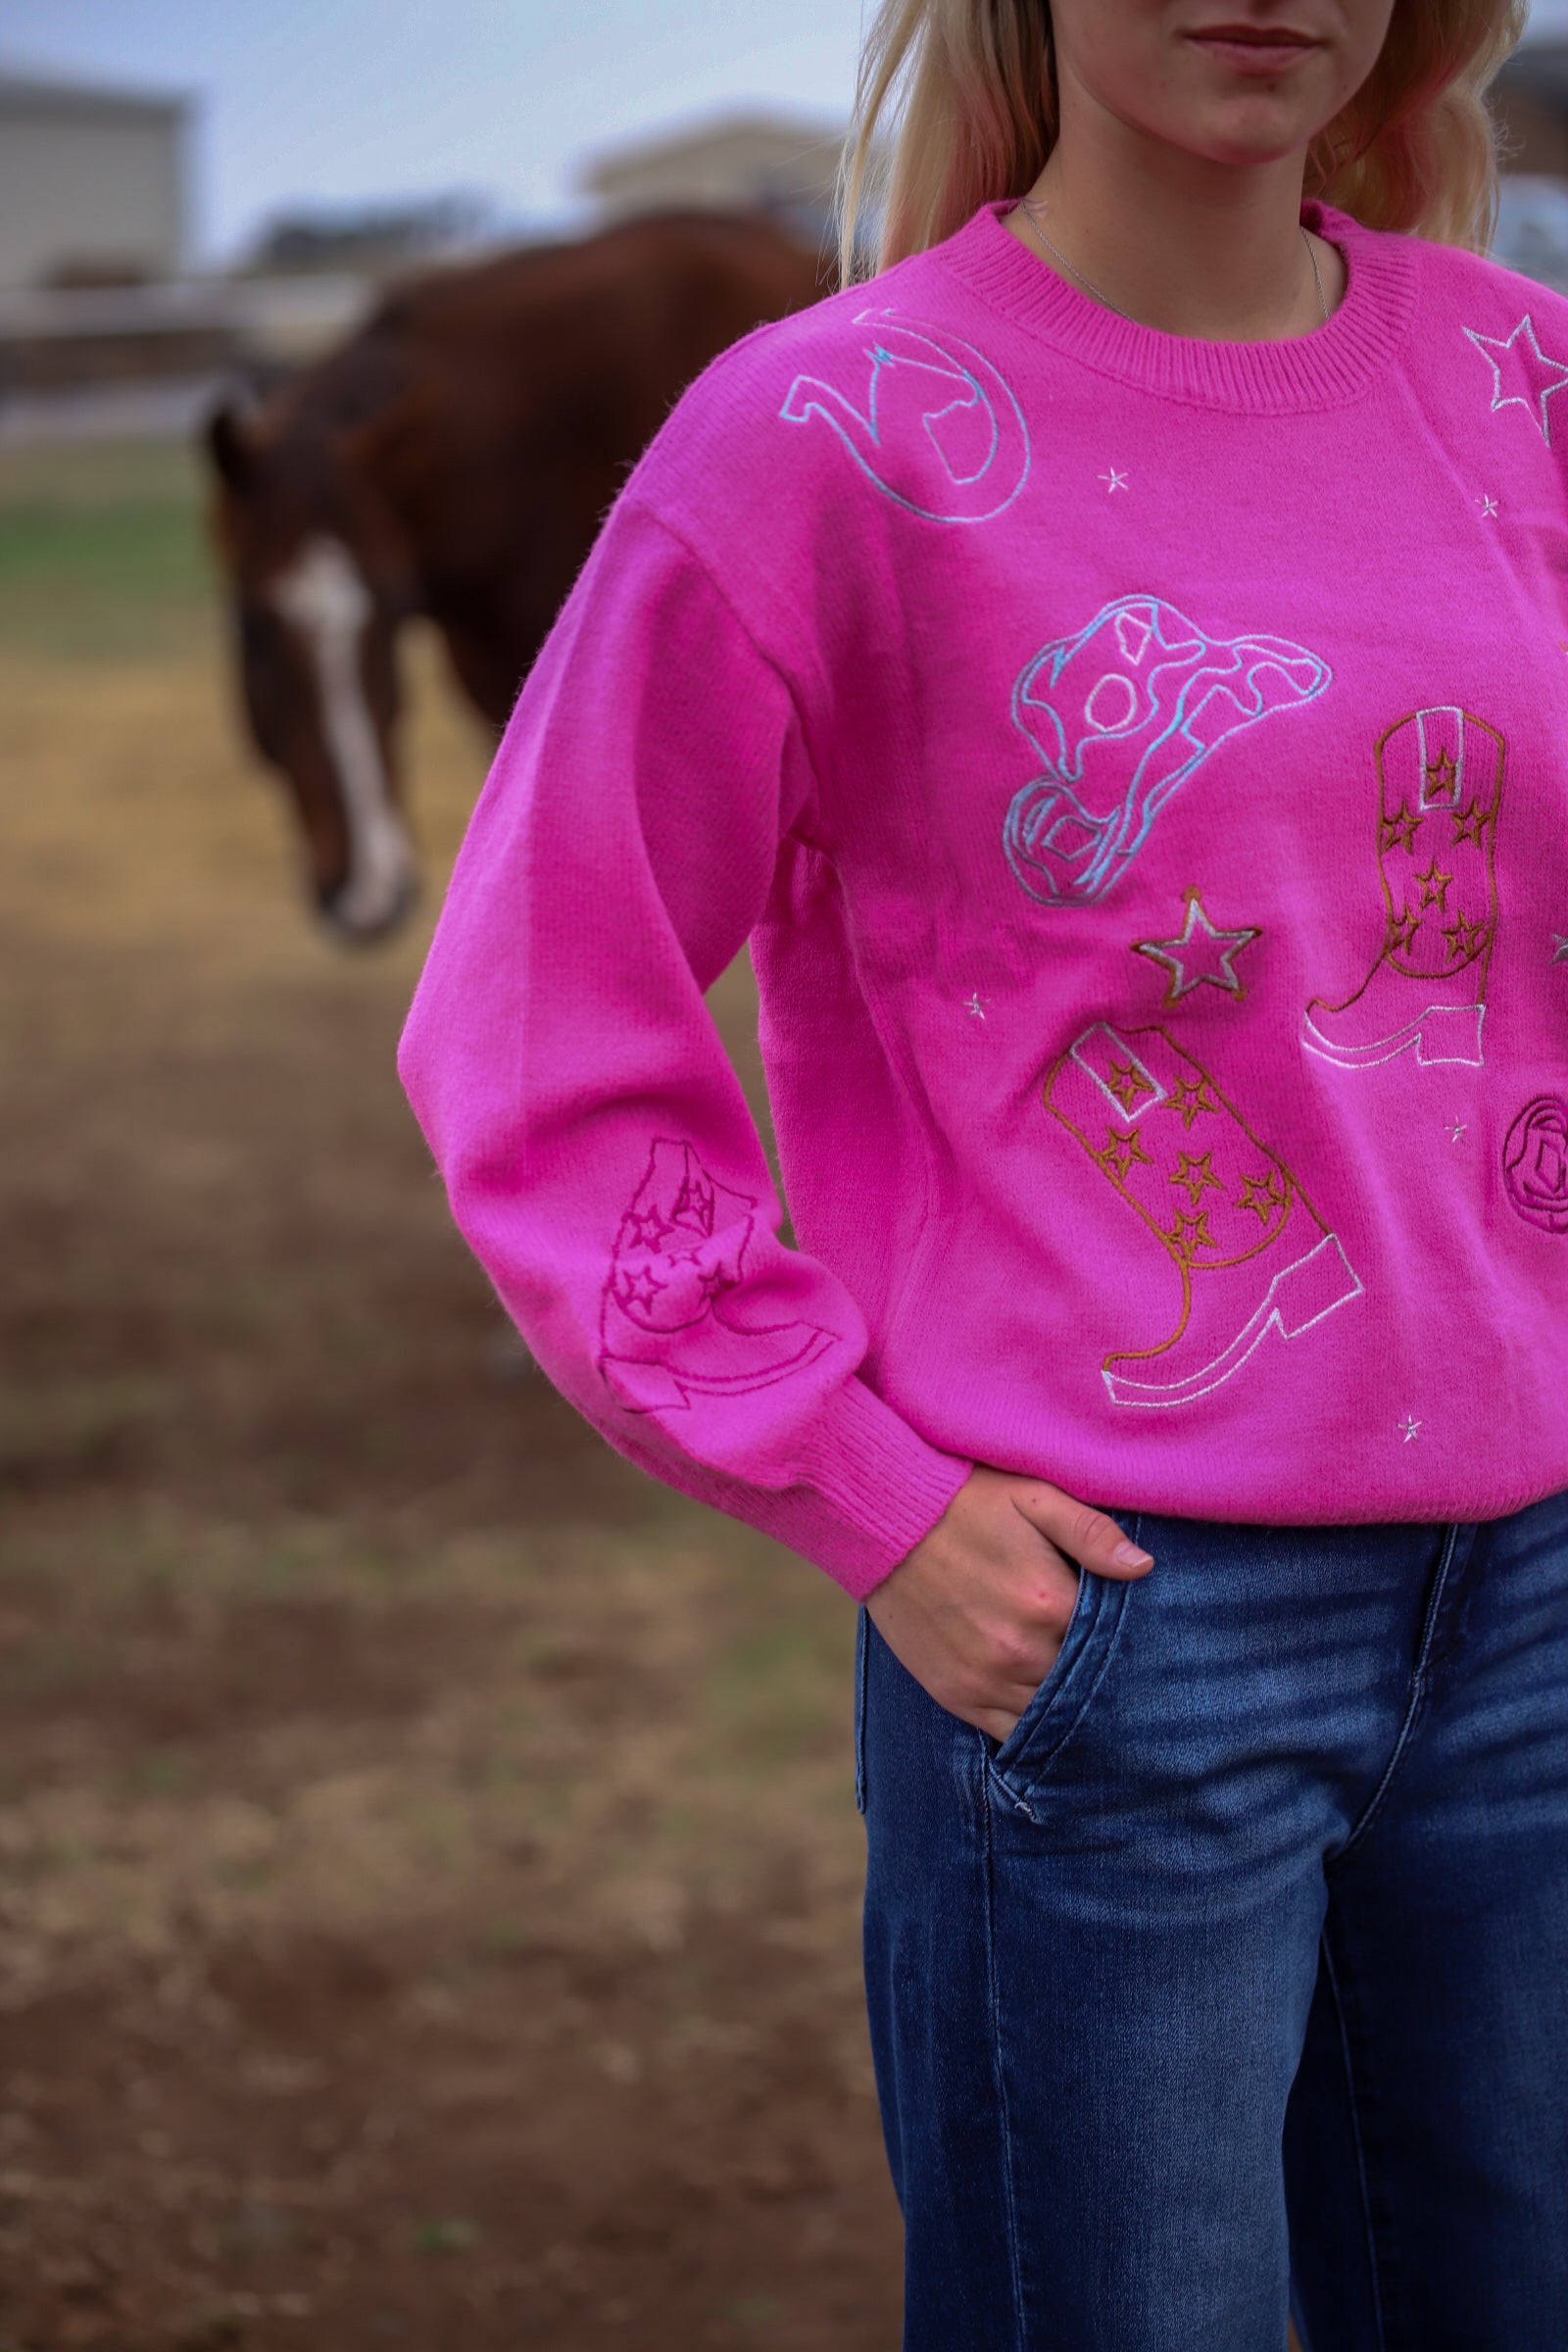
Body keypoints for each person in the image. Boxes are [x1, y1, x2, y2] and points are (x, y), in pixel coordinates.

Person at [399, 1, 1568, 2340]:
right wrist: (851, 1481)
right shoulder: (818, 436)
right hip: (1116, 1630)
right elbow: (539, 1014)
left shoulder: (1520, 379)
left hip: (1536, 1609)